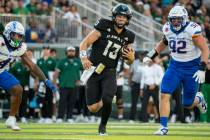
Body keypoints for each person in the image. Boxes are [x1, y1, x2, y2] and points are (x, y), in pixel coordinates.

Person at [143, 6, 209, 135]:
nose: (176, 22)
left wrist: (202, 67)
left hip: (191, 68)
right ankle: (163, 127)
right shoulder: (167, 28)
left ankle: (198, 99)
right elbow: (163, 42)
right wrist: (151, 55)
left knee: (188, 104)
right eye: (173, 19)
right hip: (175, 66)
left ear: (184, 19)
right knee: (164, 94)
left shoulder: (192, 29)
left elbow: (205, 49)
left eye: (178, 19)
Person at [79, 4, 135, 135]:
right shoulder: (104, 26)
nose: (121, 19)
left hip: (110, 71)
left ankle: (102, 126)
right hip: (93, 70)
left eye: (124, 17)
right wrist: (84, 58)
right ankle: (106, 99)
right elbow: (84, 43)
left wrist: (131, 58)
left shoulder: (129, 36)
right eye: (119, 16)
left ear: (128, 19)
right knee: (92, 108)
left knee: (107, 98)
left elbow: (129, 60)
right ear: (114, 17)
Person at [0, 21, 57, 130]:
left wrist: (45, 80)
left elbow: (32, 65)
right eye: (15, 35)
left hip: (1, 72)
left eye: (20, 36)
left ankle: (11, 119)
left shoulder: (20, 48)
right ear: (8, 33)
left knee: (18, 89)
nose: (17, 38)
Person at [53, 46, 82, 123]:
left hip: (74, 85)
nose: (71, 52)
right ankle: (60, 117)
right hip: (63, 85)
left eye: (72, 51)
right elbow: (56, 73)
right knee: (62, 102)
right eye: (69, 51)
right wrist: (54, 83)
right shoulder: (62, 61)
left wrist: (80, 80)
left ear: (75, 52)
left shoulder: (78, 61)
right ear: (66, 52)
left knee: (72, 102)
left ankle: (70, 117)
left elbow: (84, 71)